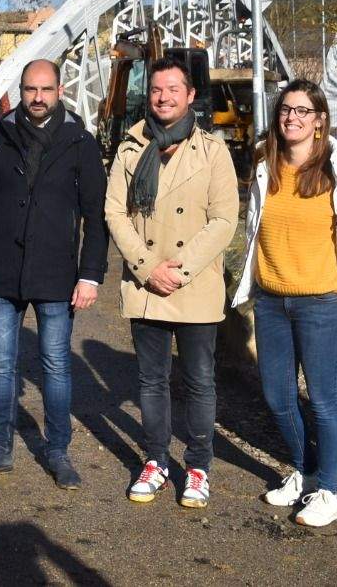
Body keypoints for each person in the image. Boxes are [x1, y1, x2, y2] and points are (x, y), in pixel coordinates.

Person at [0, 59, 108, 489]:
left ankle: (57, 450)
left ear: (59, 90)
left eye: (45, 89)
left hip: (57, 273)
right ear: (21, 91)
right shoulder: (0, 137)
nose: (38, 98)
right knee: (1, 365)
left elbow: (94, 216)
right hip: (2, 271)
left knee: (56, 365)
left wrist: (91, 274)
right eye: (30, 90)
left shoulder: (80, 140)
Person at [231, 79, 337, 528]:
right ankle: (306, 471)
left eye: (302, 111)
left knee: (324, 399)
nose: (292, 117)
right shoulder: (263, 164)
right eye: (286, 110)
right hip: (272, 299)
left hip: (323, 303)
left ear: (320, 119)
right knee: (276, 395)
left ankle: (329, 488)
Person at [104, 56, 239, 508]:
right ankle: (157, 460)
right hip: (147, 283)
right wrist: (147, 268)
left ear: (190, 95)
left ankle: (198, 466)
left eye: (173, 90)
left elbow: (223, 220)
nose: (163, 98)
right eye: (157, 90)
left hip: (194, 283)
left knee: (200, 380)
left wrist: (179, 270)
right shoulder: (131, 146)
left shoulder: (212, 149)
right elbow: (114, 213)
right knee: (151, 380)